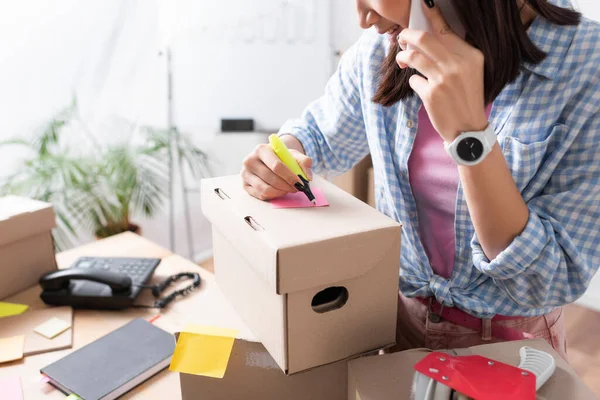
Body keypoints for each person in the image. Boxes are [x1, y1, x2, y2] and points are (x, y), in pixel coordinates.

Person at [241, 0, 600, 360]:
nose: (363, 18)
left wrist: (468, 134)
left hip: (509, 343)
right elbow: (320, 134)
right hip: (395, 321)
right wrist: (284, 154)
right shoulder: (383, 47)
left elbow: (549, 278)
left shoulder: (588, 65)